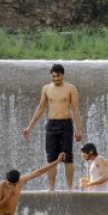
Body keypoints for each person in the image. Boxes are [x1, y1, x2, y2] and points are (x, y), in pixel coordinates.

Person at [22, 63, 83, 191]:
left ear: (63, 75)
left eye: (58, 76)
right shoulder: (46, 88)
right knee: (51, 158)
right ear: (51, 75)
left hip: (66, 123)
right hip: (51, 124)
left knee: (67, 157)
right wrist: (30, 127)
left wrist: (78, 129)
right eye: (54, 76)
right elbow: (41, 108)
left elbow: (76, 110)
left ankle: (70, 188)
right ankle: (51, 188)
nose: (56, 79)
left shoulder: (71, 88)